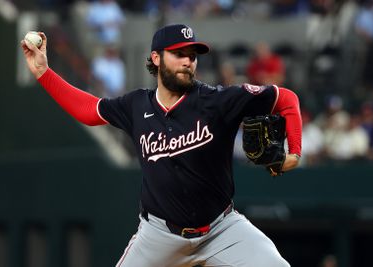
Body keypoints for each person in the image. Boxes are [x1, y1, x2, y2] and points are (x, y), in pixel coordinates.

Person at [21, 24, 302, 267]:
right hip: (159, 236)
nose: (187, 61)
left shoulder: (217, 100)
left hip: (222, 229)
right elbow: (89, 110)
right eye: (179, 54)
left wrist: (295, 152)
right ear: (156, 58)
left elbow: (287, 99)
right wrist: (44, 73)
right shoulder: (136, 105)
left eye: (192, 56)